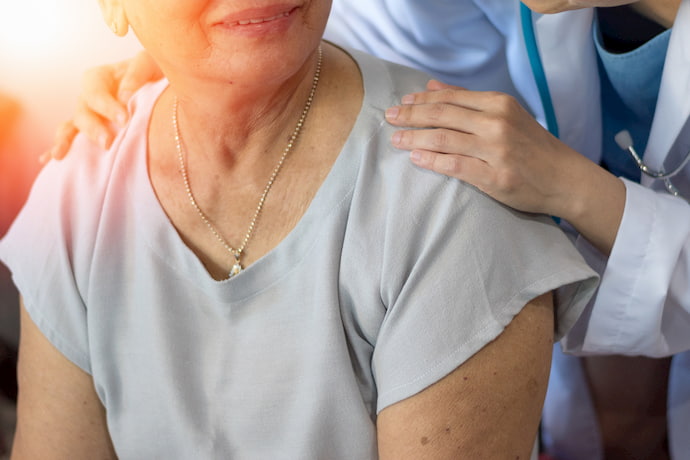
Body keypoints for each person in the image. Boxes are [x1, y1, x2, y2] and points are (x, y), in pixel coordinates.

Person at [48, 0, 690, 458]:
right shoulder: (83, 190)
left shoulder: (457, 226)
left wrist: (572, 186)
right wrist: (193, 48)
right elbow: (345, 36)